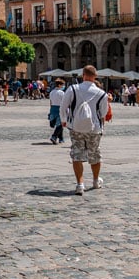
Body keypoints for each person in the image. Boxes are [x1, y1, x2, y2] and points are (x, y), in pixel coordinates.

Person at [62, 65, 111, 195]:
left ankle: (80, 184)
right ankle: (95, 181)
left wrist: (63, 119)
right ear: (95, 77)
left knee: (77, 154)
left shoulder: (72, 89)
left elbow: (63, 105)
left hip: (76, 127)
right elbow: (103, 113)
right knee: (94, 154)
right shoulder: (102, 93)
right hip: (94, 128)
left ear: (83, 75)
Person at [47, 78, 67, 144]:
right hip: (59, 108)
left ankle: (61, 138)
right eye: (62, 85)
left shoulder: (51, 92)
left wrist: (50, 111)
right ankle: (54, 136)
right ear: (59, 85)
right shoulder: (61, 93)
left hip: (53, 108)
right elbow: (64, 102)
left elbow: (51, 102)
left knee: (58, 124)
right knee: (60, 124)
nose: (63, 86)